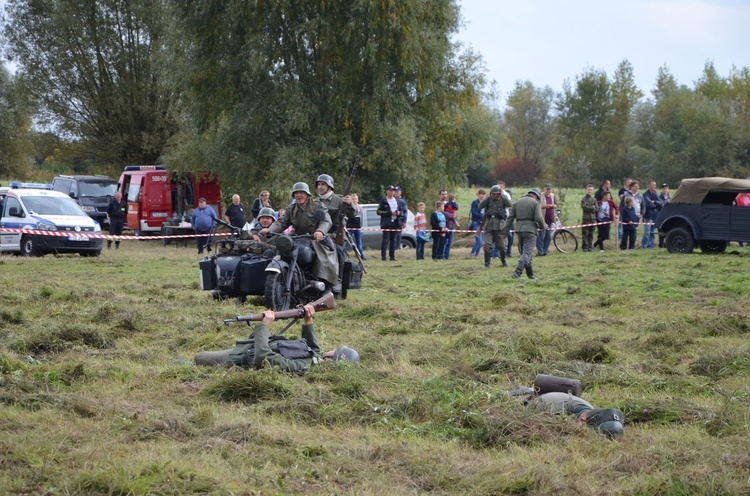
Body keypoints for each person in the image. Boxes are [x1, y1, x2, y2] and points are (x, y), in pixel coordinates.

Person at [194, 304, 359, 374]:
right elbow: (313, 350)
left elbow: (263, 357)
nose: (332, 349)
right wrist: (308, 320)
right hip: (247, 349)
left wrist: (265, 325)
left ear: (332, 358)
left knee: (198, 357)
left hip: (241, 358)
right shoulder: (314, 361)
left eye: (335, 351)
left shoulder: (301, 366)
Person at [262, 182, 339, 287]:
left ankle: (326, 284)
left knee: (324, 259)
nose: (299, 195)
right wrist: (269, 229)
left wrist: (320, 231)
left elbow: (326, 221)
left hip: (314, 238)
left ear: (307, 194)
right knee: (280, 248)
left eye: (301, 192)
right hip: (297, 237)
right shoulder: (291, 208)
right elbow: (282, 222)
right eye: (296, 193)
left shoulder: (317, 205)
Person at [509, 386, 624, 438]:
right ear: (583, 420)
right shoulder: (549, 406)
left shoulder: (590, 411)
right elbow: (522, 420)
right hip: (523, 399)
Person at [505, 188, 545, 279]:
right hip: (530, 230)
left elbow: (510, 219)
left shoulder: (517, 202)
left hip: (519, 230)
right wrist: (544, 226)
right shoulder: (535, 203)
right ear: (536, 196)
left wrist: (505, 231)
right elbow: (539, 218)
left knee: (526, 253)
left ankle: (530, 275)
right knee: (526, 253)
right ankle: (517, 273)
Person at [478, 185, 512, 268]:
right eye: (493, 194)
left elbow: (510, 204)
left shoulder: (503, 199)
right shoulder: (489, 199)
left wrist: (503, 196)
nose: (495, 196)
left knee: (502, 247)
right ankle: (487, 263)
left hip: (499, 226)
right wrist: (487, 197)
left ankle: (503, 261)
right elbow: (480, 206)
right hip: (488, 225)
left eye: (497, 194)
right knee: (487, 246)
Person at [376, 185, 401, 261]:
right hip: (386, 223)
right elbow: (378, 211)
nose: (392, 192)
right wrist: (390, 213)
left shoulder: (397, 200)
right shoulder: (383, 201)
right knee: (386, 240)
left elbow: (401, 210)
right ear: (387, 191)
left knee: (393, 240)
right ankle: (383, 257)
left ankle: (392, 256)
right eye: (390, 190)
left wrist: (399, 213)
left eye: (393, 190)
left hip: (395, 223)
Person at [620, 181, 644, 246]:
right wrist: (622, 214)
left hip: (636, 216)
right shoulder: (626, 194)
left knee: (634, 232)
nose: (637, 188)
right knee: (626, 232)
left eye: (638, 186)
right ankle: (623, 246)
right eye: (635, 186)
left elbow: (643, 206)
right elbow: (621, 205)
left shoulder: (640, 195)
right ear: (631, 187)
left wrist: (642, 214)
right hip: (627, 216)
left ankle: (632, 246)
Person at [536, 184, 557, 256]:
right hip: (542, 220)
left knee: (548, 236)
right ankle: (540, 252)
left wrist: (553, 206)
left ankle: (545, 251)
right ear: (544, 189)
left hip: (550, 220)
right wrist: (546, 206)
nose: (548, 191)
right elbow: (537, 206)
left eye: (549, 189)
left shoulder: (553, 196)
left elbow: (556, 204)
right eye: (547, 189)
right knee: (541, 237)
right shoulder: (540, 196)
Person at [641, 181, 662, 249]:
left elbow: (661, 203)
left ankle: (650, 245)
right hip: (648, 216)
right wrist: (656, 205)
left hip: (654, 215)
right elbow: (649, 204)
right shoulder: (645, 195)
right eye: (653, 185)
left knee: (652, 232)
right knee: (647, 232)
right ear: (649, 185)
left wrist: (654, 202)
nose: (654, 186)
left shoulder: (655, 194)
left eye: (655, 185)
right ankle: (644, 246)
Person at [346, 193, 365, 260]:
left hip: (357, 227)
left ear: (358, 200)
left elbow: (361, 218)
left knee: (359, 243)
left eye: (355, 199)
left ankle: (362, 256)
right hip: (349, 227)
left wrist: (361, 226)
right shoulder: (348, 207)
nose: (354, 200)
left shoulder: (360, 208)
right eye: (353, 199)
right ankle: (344, 254)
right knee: (347, 242)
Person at [580, 184, 599, 252]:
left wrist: (592, 208)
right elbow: (584, 208)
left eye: (591, 190)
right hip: (586, 219)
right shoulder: (583, 199)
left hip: (593, 219)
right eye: (588, 189)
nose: (590, 191)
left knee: (591, 234)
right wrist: (592, 208)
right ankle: (585, 247)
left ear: (593, 190)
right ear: (586, 190)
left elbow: (597, 209)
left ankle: (590, 247)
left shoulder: (594, 199)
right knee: (585, 233)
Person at [442, 192, 459, 259]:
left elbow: (445, 209)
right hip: (450, 221)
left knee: (447, 241)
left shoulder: (446, 204)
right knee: (448, 242)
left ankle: (445, 255)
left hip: (448, 220)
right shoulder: (453, 203)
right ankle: (445, 255)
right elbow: (456, 208)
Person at [470, 189, 486, 258]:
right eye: (481, 194)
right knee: (478, 240)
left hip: (483, 222)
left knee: (481, 241)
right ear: (478, 195)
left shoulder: (486, 203)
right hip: (476, 222)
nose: (482, 195)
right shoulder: (475, 202)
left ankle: (477, 255)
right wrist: (481, 216)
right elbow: (473, 213)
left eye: (484, 194)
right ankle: (472, 253)